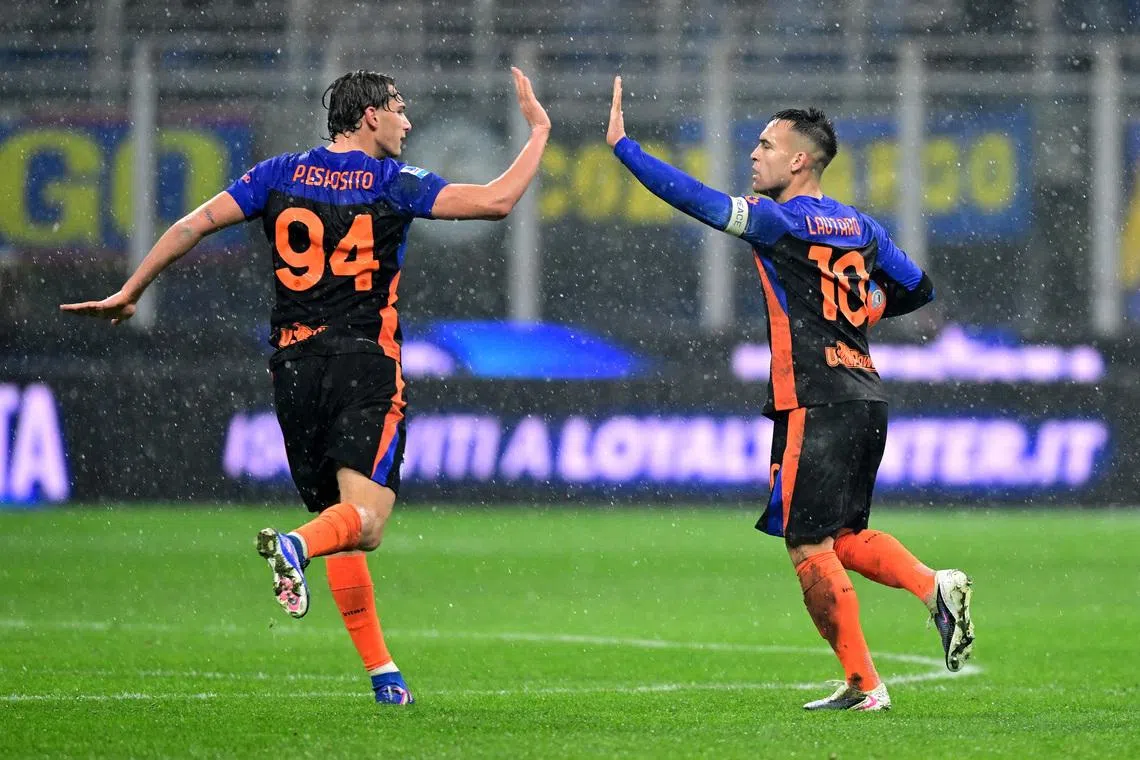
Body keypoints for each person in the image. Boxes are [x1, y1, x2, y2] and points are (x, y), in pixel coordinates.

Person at [61, 67, 551, 706]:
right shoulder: (392, 182)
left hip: (294, 371)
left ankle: (383, 676)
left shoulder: (276, 174)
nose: (408, 122)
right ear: (370, 115)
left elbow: (191, 226)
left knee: (340, 519)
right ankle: (293, 546)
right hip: (363, 362)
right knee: (366, 524)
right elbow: (495, 201)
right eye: (399, 109)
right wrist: (539, 131)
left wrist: (132, 289)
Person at [605, 76, 973, 711]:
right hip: (863, 392)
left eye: (766, 144)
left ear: (800, 160)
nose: (755, 154)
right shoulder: (859, 225)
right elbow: (919, 289)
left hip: (815, 395)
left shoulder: (778, 221)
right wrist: (866, 306)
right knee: (842, 536)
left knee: (806, 544)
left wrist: (625, 148)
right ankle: (932, 585)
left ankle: (865, 685)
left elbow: (697, 201)